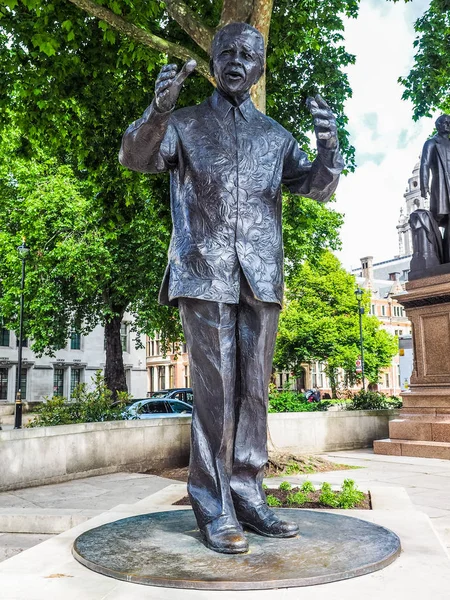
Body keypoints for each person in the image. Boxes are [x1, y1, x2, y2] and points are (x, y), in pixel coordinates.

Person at [119, 22, 344, 554]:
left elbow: (317, 187)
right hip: (203, 271)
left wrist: (329, 146)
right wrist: (157, 111)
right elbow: (135, 156)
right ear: (214, 61)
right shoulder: (185, 124)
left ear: (260, 65)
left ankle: (247, 492)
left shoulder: (275, 136)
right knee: (216, 395)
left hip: (260, 276)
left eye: (248, 53)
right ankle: (213, 504)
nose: (237, 60)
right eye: (227, 52)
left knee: (255, 392)